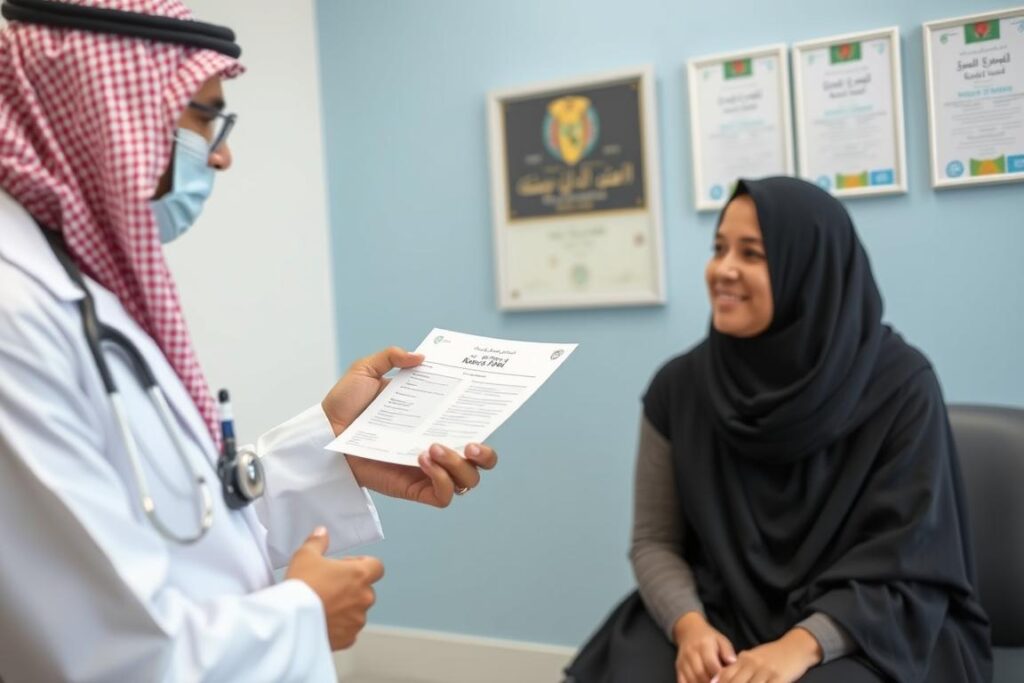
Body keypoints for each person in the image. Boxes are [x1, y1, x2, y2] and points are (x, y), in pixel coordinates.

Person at [0, 1, 496, 680]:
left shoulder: (83, 292)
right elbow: (99, 655)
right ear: (105, 113)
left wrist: (337, 449)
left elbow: (178, 522)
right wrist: (301, 617)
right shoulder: (16, 316)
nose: (224, 155)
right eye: (205, 118)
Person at [565, 177, 992, 683]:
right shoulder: (678, 387)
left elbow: (909, 560)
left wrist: (800, 646)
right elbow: (655, 540)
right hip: (719, 611)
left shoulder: (902, 387)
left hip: (866, 621)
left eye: (752, 254)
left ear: (807, 270)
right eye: (719, 248)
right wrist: (690, 628)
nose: (723, 270)